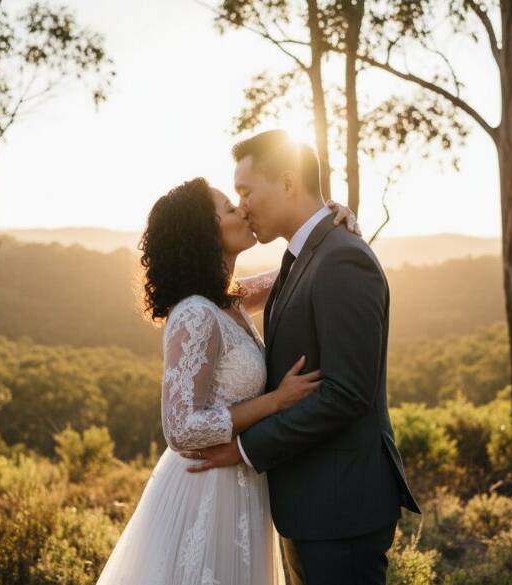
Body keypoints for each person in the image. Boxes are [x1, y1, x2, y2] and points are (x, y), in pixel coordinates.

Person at [183, 130, 421, 585]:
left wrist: (244, 450)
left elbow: (347, 393)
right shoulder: (304, 256)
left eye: (246, 191)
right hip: (309, 505)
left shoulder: (342, 259)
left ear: (289, 182)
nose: (244, 205)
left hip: (341, 508)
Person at [94, 175, 359, 584]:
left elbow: (292, 273)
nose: (244, 210)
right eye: (230, 208)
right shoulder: (196, 313)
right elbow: (181, 428)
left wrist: (327, 224)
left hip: (239, 486)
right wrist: (275, 401)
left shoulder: (228, 302)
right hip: (207, 492)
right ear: (207, 232)